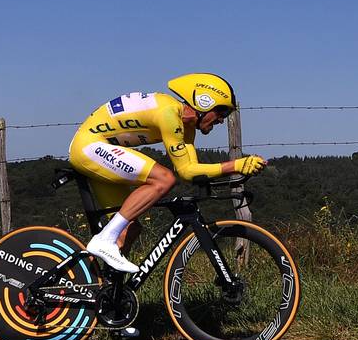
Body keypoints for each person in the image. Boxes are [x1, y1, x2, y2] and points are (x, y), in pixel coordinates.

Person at [69, 72, 267, 273]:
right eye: (221, 113)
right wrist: (235, 165)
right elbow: (182, 173)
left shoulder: (186, 126)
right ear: (204, 103)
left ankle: (105, 292)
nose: (221, 121)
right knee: (163, 179)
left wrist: (234, 169)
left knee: (129, 229)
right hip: (88, 146)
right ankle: (104, 239)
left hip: (97, 147)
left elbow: (189, 171)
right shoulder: (169, 114)